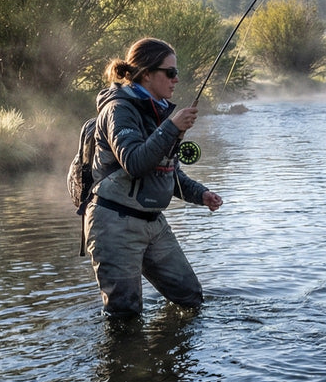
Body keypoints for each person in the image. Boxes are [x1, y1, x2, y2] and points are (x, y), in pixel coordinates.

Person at [84, 37, 223, 317]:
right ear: (146, 74)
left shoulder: (157, 111)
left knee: (191, 298)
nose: (176, 80)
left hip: (153, 222)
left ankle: (166, 354)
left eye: (177, 73)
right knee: (125, 316)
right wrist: (171, 127)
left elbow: (168, 173)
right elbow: (135, 162)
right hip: (114, 224)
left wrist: (201, 195)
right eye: (170, 73)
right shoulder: (118, 109)